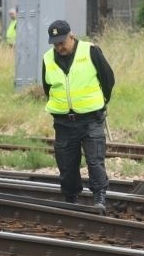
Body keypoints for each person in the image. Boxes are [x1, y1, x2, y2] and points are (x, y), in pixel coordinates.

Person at [41, 20, 115, 210]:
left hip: (91, 118)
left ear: (71, 36)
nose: (59, 47)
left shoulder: (91, 51)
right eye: (55, 43)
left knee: (95, 160)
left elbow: (108, 78)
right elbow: (47, 87)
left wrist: (101, 101)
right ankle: (71, 200)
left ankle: (99, 198)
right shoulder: (48, 58)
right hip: (64, 121)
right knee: (66, 166)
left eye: (62, 42)